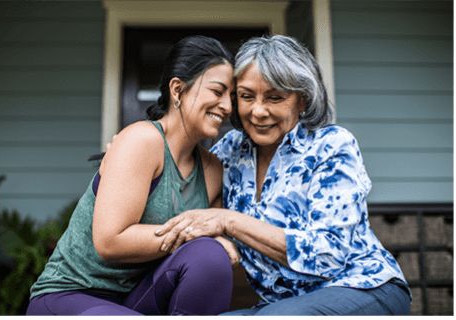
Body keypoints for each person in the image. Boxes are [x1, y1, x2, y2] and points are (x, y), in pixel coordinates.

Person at [155, 35, 412, 316]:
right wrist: (130, 156)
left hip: (364, 287)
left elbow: (327, 256)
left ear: (302, 100)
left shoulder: (331, 145)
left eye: (275, 97)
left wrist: (228, 222)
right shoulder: (229, 152)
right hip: (282, 305)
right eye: (246, 96)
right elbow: (182, 194)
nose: (259, 111)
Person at [26, 35, 239, 316]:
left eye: (232, 96)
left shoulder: (212, 170)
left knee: (210, 257)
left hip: (138, 299)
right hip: (70, 295)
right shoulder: (142, 140)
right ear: (178, 90)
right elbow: (110, 241)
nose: (227, 106)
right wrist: (194, 234)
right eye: (217, 91)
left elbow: (214, 247)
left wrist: (215, 241)